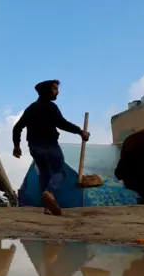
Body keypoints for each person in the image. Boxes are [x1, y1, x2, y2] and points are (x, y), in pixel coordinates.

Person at [12, 80, 90, 216]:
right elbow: (62, 123)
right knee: (60, 172)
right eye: (54, 89)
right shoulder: (51, 107)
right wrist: (80, 132)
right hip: (50, 145)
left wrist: (17, 146)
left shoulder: (30, 109)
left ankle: (47, 207)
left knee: (44, 174)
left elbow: (17, 127)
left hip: (34, 147)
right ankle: (50, 192)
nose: (57, 92)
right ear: (47, 90)